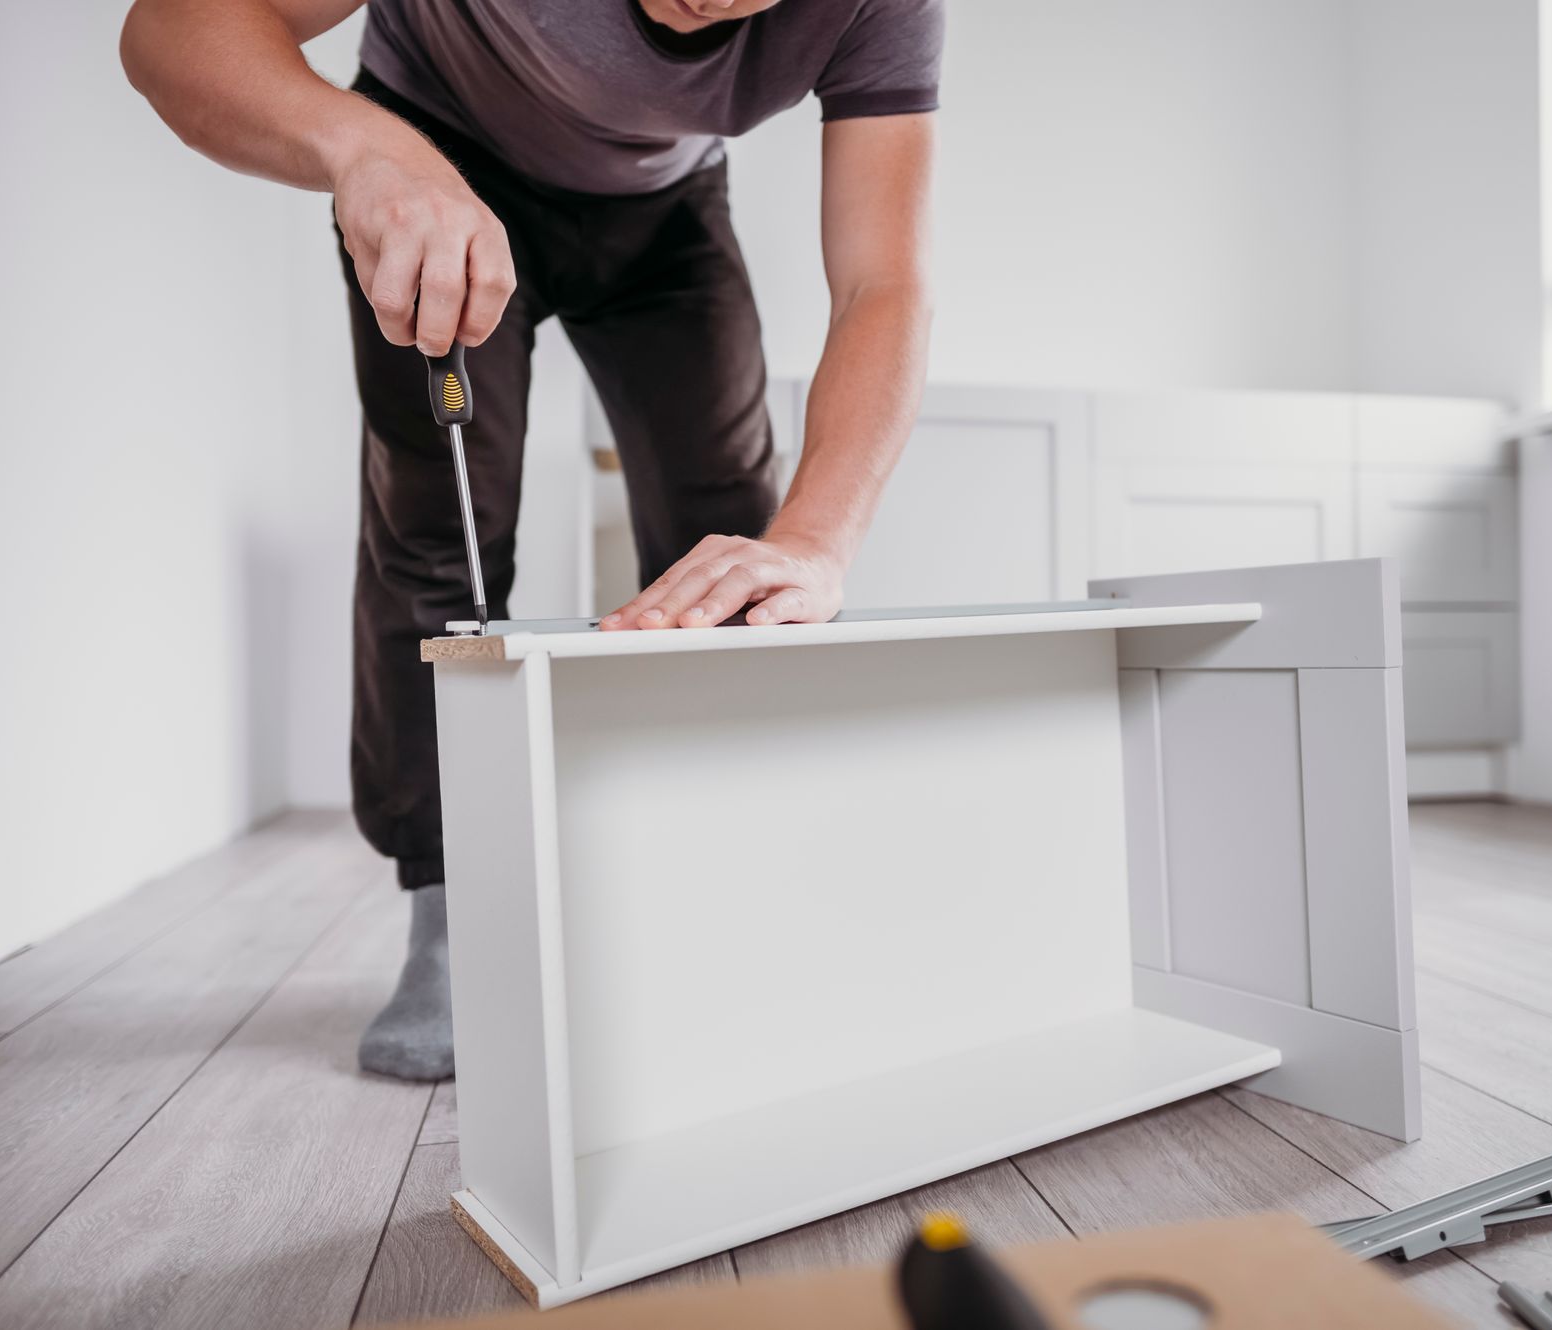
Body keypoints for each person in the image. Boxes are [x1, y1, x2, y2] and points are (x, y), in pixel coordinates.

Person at [121, 0, 940, 1080]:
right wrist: (364, 147)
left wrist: (821, 541)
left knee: (737, 540)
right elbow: (173, 31)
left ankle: (718, 891)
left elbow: (884, 283)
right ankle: (452, 916)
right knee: (438, 538)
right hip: (437, 155)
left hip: (665, 210)